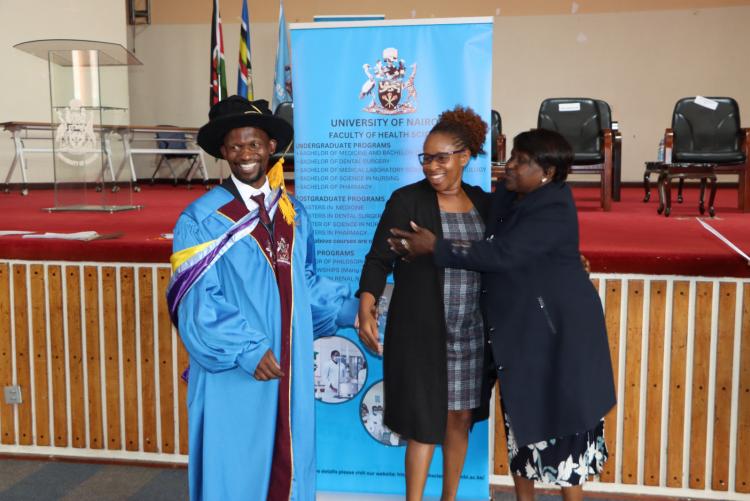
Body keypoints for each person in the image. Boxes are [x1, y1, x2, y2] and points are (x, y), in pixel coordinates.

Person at [391, 128, 616, 501]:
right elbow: (488, 230)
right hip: (519, 337)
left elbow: (500, 255)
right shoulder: (510, 195)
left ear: (547, 172)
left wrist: (437, 247)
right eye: (511, 156)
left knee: (569, 430)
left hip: (557, 336)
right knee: (522, 425)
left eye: (520, 161)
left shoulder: (554, 206)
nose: (508, 165)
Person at [167, 96, 358, 501]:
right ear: (223, 152)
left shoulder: (293, 213)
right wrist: (247, 350)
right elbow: (198, 303)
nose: (245, 154)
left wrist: (349, 309)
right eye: (235, 146)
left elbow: (304, 281)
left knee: (289, 461)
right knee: (236, 467)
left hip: (288, 366)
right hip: (236, 371)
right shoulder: (201, 219)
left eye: (254, 144)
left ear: (271, 147)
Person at [357, 106, 495, 501]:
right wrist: (366, 301)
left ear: (465, 157)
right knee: (423, 425)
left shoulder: (485, 205)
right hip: (421, 331)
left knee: (459, 418)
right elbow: (378, 258)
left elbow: (511, 253)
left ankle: (449, 498)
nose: (431, 166)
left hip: (470, 331)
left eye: (441, 157)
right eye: (426, 158)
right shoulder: (407, 201)